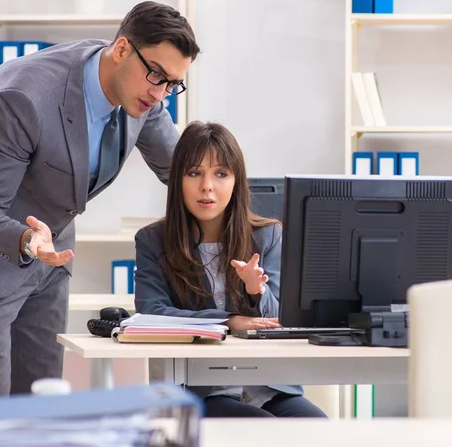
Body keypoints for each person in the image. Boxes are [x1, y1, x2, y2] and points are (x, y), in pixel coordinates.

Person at [0, 1, 200, 400]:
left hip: (51, 247)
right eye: (157, 76)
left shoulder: (144, 93)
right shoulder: (22, 97)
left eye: (172, 84)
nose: (161, 93)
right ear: (121, 50)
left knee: (40, 396)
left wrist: (246, 220)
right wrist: (28, 240)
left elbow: (183, 172)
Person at [134, 122, 327, 418]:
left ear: (237, 181)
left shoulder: (268, 236)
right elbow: (151, 312)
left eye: (221, 174)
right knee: (263, 428)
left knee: (317, 429)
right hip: (203, 390)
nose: (207, 186)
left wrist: (255, 291)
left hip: (268, 385)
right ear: (177, 180)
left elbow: (283, 321)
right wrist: (228, 320)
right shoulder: (153, 240)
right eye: (194, 173)